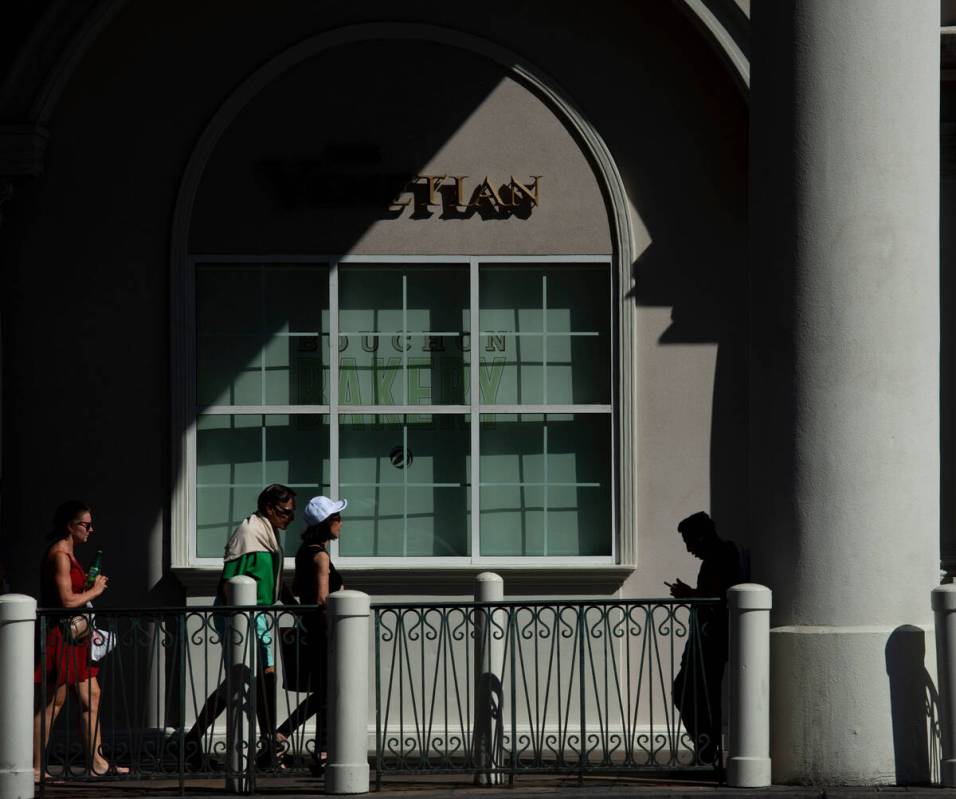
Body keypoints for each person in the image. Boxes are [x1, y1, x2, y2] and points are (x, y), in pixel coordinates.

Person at [180, 484, 299, 769]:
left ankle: (193, 741)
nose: (289, 519)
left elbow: (274, 580)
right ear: (270, 508)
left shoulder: (265, 533)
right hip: (243, 617)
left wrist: (295, 608)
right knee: (253, 680)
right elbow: (228, 581)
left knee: (251, 681)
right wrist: (239, 623)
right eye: (286, 513)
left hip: (256, 615)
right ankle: (264, 747)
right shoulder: (248, 534)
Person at [33, 500, 128, 780]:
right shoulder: (60, 554)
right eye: (85, 525)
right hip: (59, 635)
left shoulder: (71, 553)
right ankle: (35, 767)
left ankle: (97, 762)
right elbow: (65, 600)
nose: (90, 529)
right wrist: (94, 592)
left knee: (92, 695)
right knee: (54, 700)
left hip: (75, 638)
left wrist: (86, 587)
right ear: (69, 526)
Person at [666, 511, 745, 767]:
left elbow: (720, 598)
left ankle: (707, 749)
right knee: (688, 691)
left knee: (699, 694)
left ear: (702, 537)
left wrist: (690, 593)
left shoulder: (724, 557)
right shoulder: (715, 558)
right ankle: (706, 748)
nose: (689, 549)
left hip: (713, 641)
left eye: (690, 542)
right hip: (701, 640)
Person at [275, 495, 347, 775]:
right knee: (327, 693)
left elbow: (294, 589)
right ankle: (282, 737)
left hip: (311, 630)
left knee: (324, 693)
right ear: (326, 524)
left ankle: (321, 751)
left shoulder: (305, 551)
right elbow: (322, 599)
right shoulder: (320, 555)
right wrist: (334, 631)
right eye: (337, 519)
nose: (341, 523)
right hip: (325, 632)